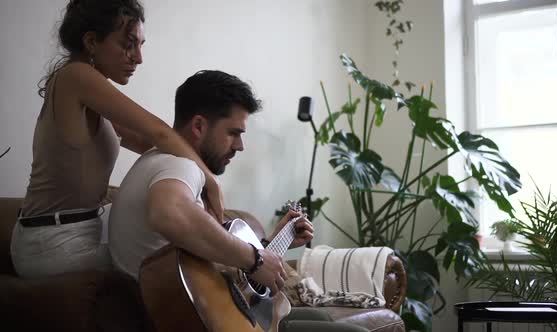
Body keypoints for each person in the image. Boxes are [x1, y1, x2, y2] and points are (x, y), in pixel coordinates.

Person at [108, 70, 370, 332]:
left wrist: (268, 247)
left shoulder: (161, 163)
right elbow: (170, 213)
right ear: (199, 126)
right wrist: (256, 259)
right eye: (233, 132)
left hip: (200, 311)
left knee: (320, 319)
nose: (240, 145)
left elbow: (212, 265)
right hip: (195, 319)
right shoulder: (180, 167)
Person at [10, 0, 223, 279]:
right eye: (128, 44)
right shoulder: (76, 77)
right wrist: (211, 182)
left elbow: (152, 146)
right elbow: (157, 131)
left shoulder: (90, 95)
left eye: (141, 45)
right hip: (51, 243)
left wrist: (193, 180)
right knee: (170, 261)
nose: (138, 57)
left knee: (167, 225)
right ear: (91, 41)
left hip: (78, 227)